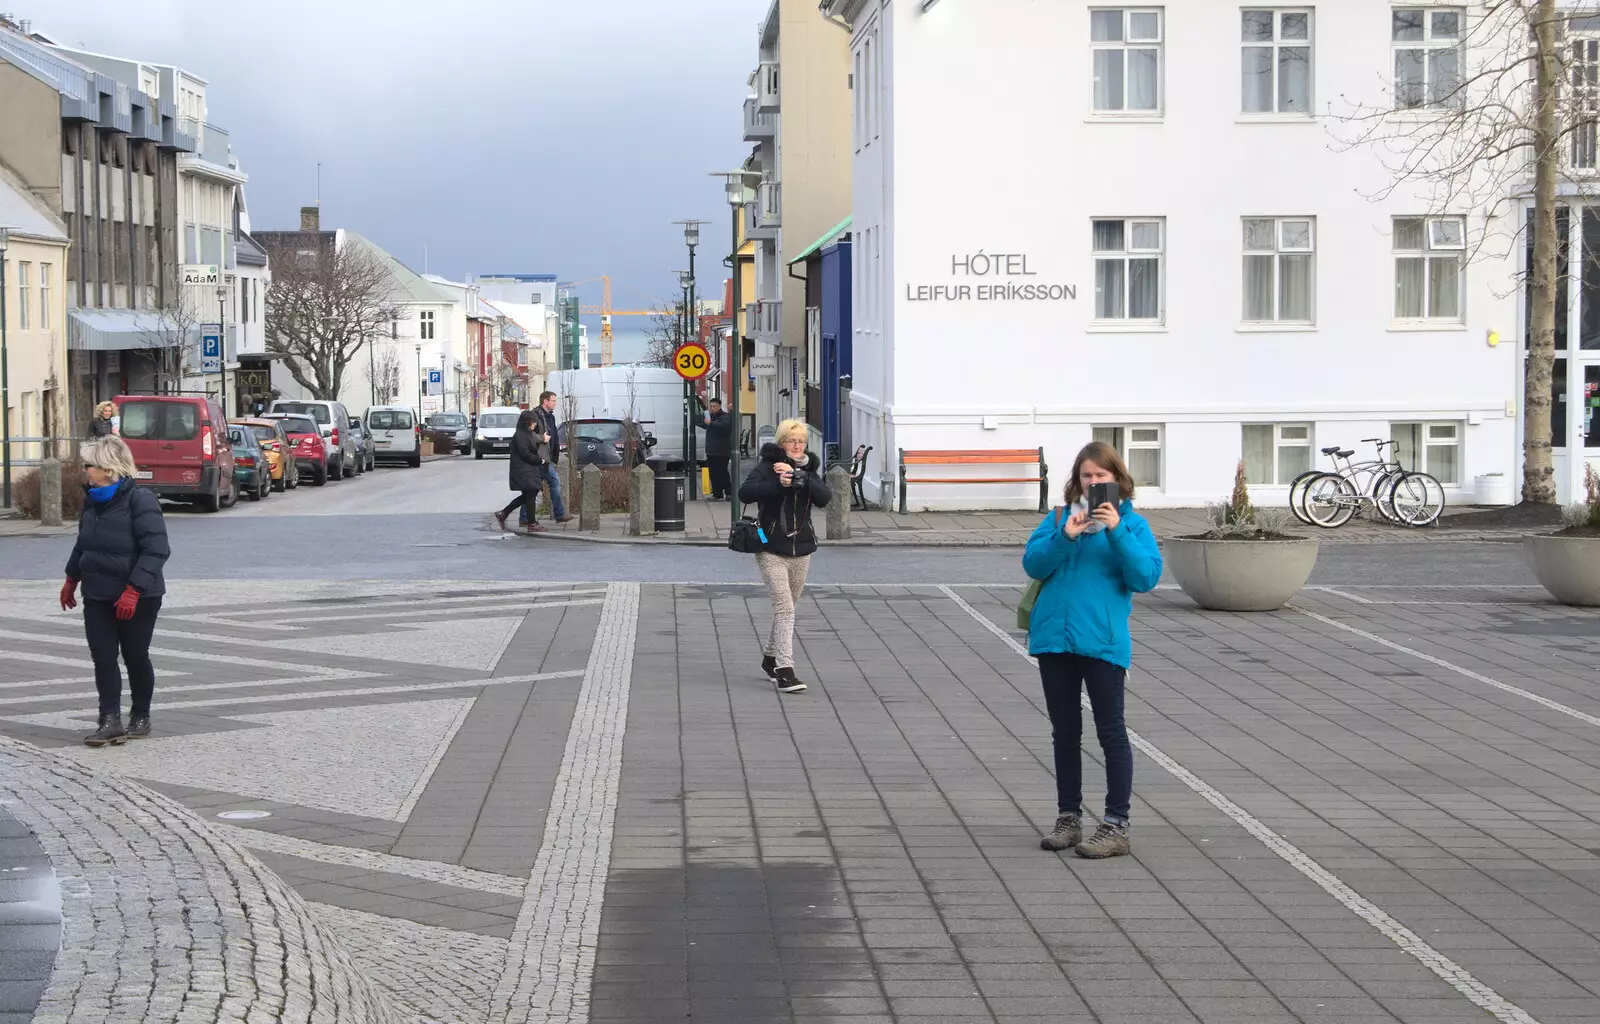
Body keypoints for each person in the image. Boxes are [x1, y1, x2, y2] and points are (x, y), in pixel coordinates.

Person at [1023, 440, 1162, 860]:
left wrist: (1116, 530)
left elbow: (1145, 577)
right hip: (1055, 640)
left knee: (1111, 731)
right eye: (1087, 476)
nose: (1094, 482)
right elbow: (1034, 564)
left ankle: (1116, 824)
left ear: (1118, 481)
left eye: (1102, 476)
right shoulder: (1061, 518)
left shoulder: (1133, 525)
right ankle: (1069, 818)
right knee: (1064, 732)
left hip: (1102, 641)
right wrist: (1066, 536)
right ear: (1077, 480)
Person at [60, 436, 171, 747]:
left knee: (135, 656)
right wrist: (72, 579)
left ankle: (141, 715)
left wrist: (134, 590)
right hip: (97, 593)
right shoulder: (92, 500)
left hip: (139, 596)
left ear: (109, 469)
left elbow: (157, 550)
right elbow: (83, 543)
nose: (86, 472)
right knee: (103, 657)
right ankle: (109, 720)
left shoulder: (141, 500)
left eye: (89, 466)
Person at [738, 418, 829, 695]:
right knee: (785, 608)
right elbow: (745, 492)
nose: (797, 445)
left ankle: (769, 658)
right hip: (770, 546)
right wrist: (779, 482)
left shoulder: (809, 469)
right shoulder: (767, 467)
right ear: (781, 443)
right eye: (791, 441)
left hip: (802, 548)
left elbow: (825, 498)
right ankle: (785, 671)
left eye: (801, 441)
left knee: (787, 608)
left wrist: (799, 476)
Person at [495, 409, 549, 533]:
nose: (535, 424)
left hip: (527, 469)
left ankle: (504, 514)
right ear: (528, 422)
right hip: (523, 470)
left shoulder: (526, 433)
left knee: (528, 495)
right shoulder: (520, 435)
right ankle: (531, 523)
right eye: (534, 421)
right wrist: (539, 460)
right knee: (530, 495)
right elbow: (525, 454)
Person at [530, 391, 574, 524]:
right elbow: (527, 435)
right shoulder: (536, 415)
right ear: (545, 401)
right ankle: (559, 514)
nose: (555, 403)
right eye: (553, 401)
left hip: (547, 457)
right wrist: (542, 438)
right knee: (551, 482)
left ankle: (524, 517)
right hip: (539, 457)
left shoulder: (550, 417)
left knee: (532, 489)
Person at [703, 397, 732, 500]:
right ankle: (717, 494)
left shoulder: (724, 416)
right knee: (713, 473)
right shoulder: (711, 416)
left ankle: (728, 493)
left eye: (714, 406)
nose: (712, 408)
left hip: (721, 450)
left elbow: (724, 427)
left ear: (719, 406)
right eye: (711, 406)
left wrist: (711, 423)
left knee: (722, 472)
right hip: (712, 450)